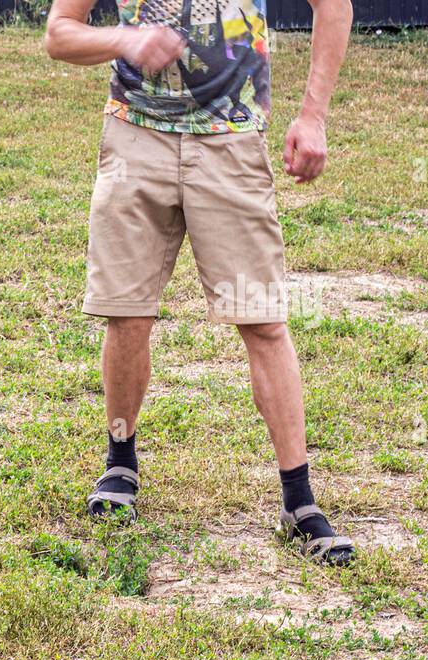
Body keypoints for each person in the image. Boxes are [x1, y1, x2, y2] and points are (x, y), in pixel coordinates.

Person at [45, 0, 356, 565]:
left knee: (262, 322)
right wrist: (124, 40)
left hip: (231, 143)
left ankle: (299, 500)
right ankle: (120, 464)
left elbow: (333, 6)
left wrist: (312, 115)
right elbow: (59, 34)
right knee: (127, 311)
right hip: (134, 139)